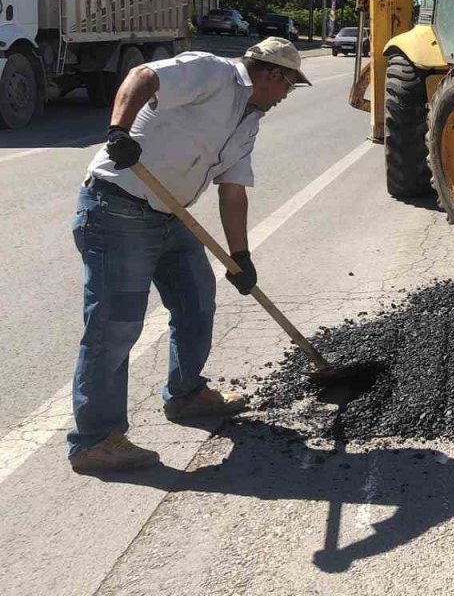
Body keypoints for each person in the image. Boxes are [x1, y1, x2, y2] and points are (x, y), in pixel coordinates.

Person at [67, 37, 310, 472]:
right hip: (117, 206)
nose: (285, 97)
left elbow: (233, 190)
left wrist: (241, 255)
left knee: (197, 300)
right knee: (115, 325)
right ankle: (94, 440)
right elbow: (142, 76)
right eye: (288, 87)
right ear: (274, 74)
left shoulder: (248, 122)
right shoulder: (212, 72)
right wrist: (119, 131)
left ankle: (186, 394)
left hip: (168, 214)